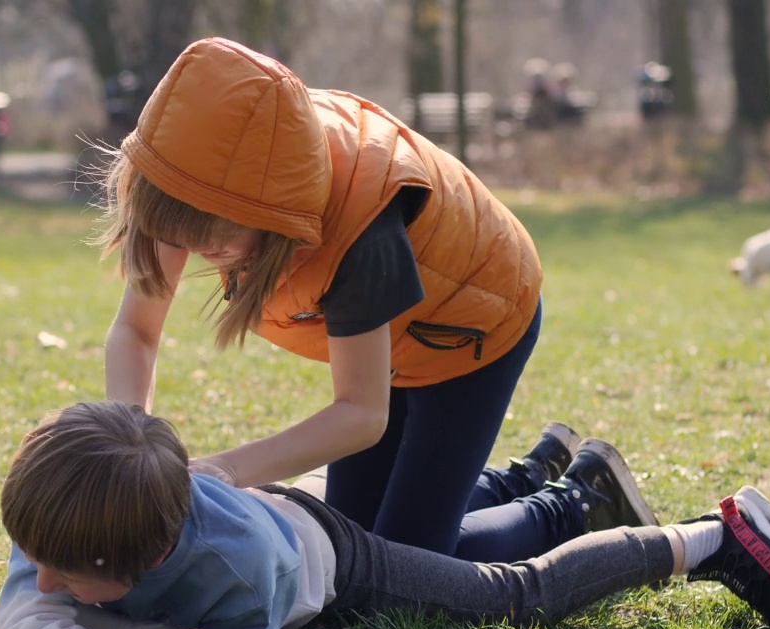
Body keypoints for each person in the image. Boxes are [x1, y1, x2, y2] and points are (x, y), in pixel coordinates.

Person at [0, 402, 770, 629]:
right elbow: (37, 619)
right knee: (439, 529)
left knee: (509, 593)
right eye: (32, 555)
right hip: (270, 505)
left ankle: (712, 540)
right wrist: (59, 619)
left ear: (146, 563)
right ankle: (544, 474)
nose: (36, 576)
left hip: (323, 559)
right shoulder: (73, 515)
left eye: (63, 573)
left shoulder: (240, 578)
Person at [92, 36, 548, 556]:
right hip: (393, 331)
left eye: (215, 236)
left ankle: (579, 499)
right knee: (350, 540)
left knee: (402, 568)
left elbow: (361, 412)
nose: (197, 250)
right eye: (182, 234)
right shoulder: (189, 183)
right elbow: (137, 330)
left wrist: (225, 469)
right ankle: (526, 475)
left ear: (272, 208)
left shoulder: (362, 232)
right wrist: (130, 445)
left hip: (474, 323)